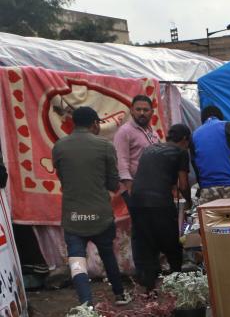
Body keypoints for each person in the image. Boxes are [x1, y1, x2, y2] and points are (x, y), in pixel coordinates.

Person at [52, 106, 129, 306]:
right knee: (107, 254)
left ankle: (86, 303)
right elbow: (113, 183)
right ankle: (119, 294)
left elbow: (62, 177)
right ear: (95, 124)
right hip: (99, 215)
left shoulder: (59, 146)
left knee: (77, 260)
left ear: (74, 123)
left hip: (73, 216)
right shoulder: (104, 146)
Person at [128, 124, 192, 290]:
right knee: (172, 243)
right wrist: (190, 204)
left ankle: (149, 292)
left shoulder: (150, 149)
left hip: (136, 201)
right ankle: (178, 286)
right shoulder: (181, 152)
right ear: (185, 140)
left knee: (146, 244)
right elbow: (184, 184)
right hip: (159, 203)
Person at [190, 106, 230, 207]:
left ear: (203, 119)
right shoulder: (229, 126)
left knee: (211, 222)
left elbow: (195, 165)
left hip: (207, 191)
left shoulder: (194, 135)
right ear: (220, 116)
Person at [113, 94, 159, 198]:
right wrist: (130, 187)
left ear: (152, 112)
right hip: (134, 188)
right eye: (138, 109)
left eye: (145, 110)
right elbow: (120, 161)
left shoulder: (153, 133)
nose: (142, 113)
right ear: (132, 111)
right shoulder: (125, 131)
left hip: (152, 187)